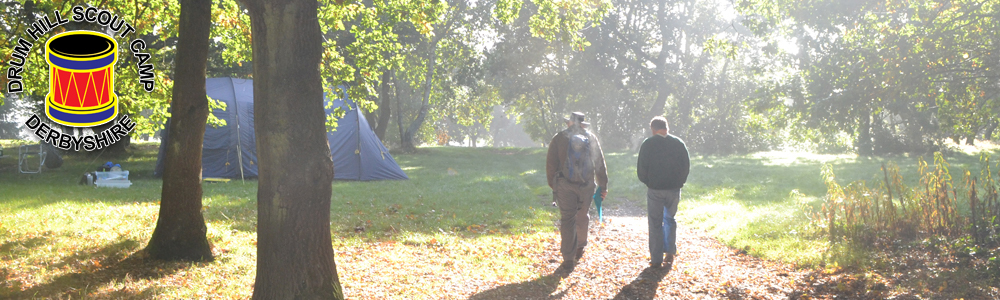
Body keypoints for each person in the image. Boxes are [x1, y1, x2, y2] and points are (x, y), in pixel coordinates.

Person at [546, 112, 608, 276]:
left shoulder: (559, 138)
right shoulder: (591, 138)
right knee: (582, 214)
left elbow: (551, 164)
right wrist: (603, 185)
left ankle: (567, 258)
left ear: (569, 123)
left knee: (567, 218)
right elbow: (600, 163)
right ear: (583, 124)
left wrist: (554, 185)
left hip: (564, 185)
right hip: (586, 185)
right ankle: (580, 245)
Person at [637, 116, 689, 268]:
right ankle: (670, 252)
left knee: (655, 222)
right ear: (667, 127)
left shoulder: (648, 144)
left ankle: (656, 258)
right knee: (670, 219)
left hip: (655, 189)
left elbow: (641, 168)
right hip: (673, 189)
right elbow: (686, 166)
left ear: (653, 129)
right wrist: (680, 182)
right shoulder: (679, 143)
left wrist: (648, 182)